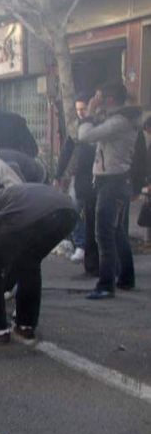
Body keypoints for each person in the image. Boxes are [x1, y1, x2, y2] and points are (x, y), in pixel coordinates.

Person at [0, 184, 78, 341]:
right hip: (67, 213)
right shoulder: (4, 196)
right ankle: (26, 325)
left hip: (30, 216)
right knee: (29, 262)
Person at [79, 81, 143, 299]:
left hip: (112, 183)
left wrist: (88, 113)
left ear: (110, 99)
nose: (96, 102)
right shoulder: (122, 119)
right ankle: (126, 278)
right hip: (116, 182)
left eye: (99, 98)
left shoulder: (119, 121)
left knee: (104, 234)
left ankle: (106, 284)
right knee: (116, 234)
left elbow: (85, 136)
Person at [56, 96, 98, 270]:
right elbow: (66, 152)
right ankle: (81, 244)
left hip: (97, 177)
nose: (81, 112)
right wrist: (58, 174)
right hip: (79, 177)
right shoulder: (75, 127)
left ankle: (92, 248)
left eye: (84, 108)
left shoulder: (99, 125)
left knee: (93, 214)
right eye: (78, 109)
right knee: (74, 210)